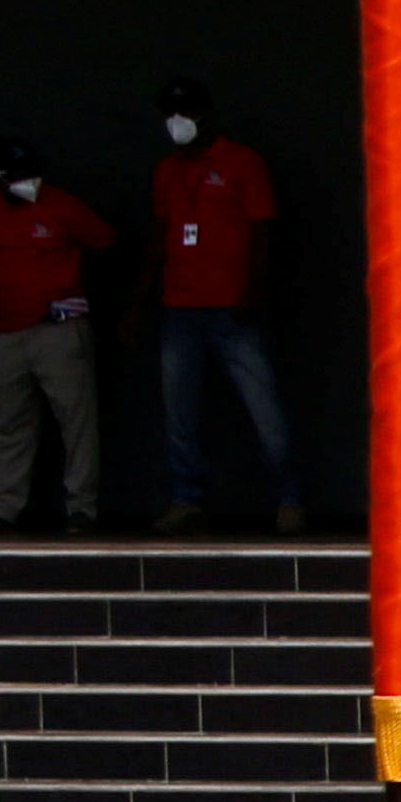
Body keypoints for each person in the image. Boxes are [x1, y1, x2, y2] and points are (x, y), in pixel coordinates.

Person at [142, 78, 297, 533]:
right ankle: (186, 498)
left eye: (185, 112)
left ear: (207, 114)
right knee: (178, 410)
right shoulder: (167, 170)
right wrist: (140, 300)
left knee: (263, 404)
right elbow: (160, 235)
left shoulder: (242, 163)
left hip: (232, 307)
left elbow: (263, 231)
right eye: (170, 113)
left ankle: (289, 498)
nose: (177, 122)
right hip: (180, 305)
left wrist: (252, 291)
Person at [0, 144, 114, 535]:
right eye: (16, 176)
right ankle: (4, 508)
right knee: (10, 424)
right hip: (6, 332)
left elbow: (105, 246)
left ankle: (81, 509)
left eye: (30, 173)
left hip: (59, 330)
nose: (26, 183)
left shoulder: (62, 206)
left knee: (76, 421)